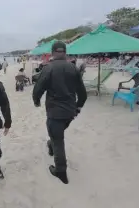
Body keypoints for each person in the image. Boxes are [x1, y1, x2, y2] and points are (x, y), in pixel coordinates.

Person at [32, 41, 87, 184]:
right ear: (65, 52)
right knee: (57, 133)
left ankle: (61, 171)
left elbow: (38, 88)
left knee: (58, 141)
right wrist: (79, 107)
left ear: (52, 52)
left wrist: (36, 101)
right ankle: (50, 144)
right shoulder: (73, 68)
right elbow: (83, 93)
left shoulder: (48, 68)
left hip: (55, 111)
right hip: (70, 112)